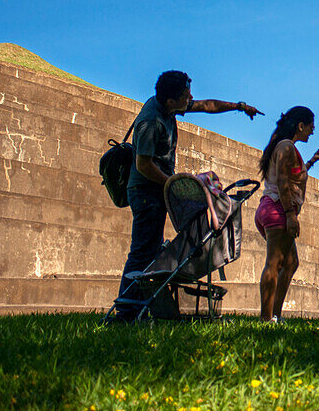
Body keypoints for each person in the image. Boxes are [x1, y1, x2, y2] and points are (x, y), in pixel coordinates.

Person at [110, 70, 262, 321]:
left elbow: (206, 105)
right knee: (142, 251)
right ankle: (126, 311)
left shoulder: (168, 106)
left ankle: (139, 307)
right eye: (185, 96)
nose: (190, 98)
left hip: (156, 191)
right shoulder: (151, 121)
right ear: (171, 100)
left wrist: (239, 106)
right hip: (145, 192)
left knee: (151, 248)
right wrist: (173, 184)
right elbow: (144, 165)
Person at [254, 106, 319, 322]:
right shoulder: (287, 146)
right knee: (274, 263)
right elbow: (282, 181)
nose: (312, 131)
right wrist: (290, 214)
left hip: (269, 208)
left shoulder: (282, 146)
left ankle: (275, 314)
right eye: (310, 127)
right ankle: (266, 317)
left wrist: (312, 161)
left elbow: (293, 175)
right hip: (278, 208)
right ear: (300, 126)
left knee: (290, 262)